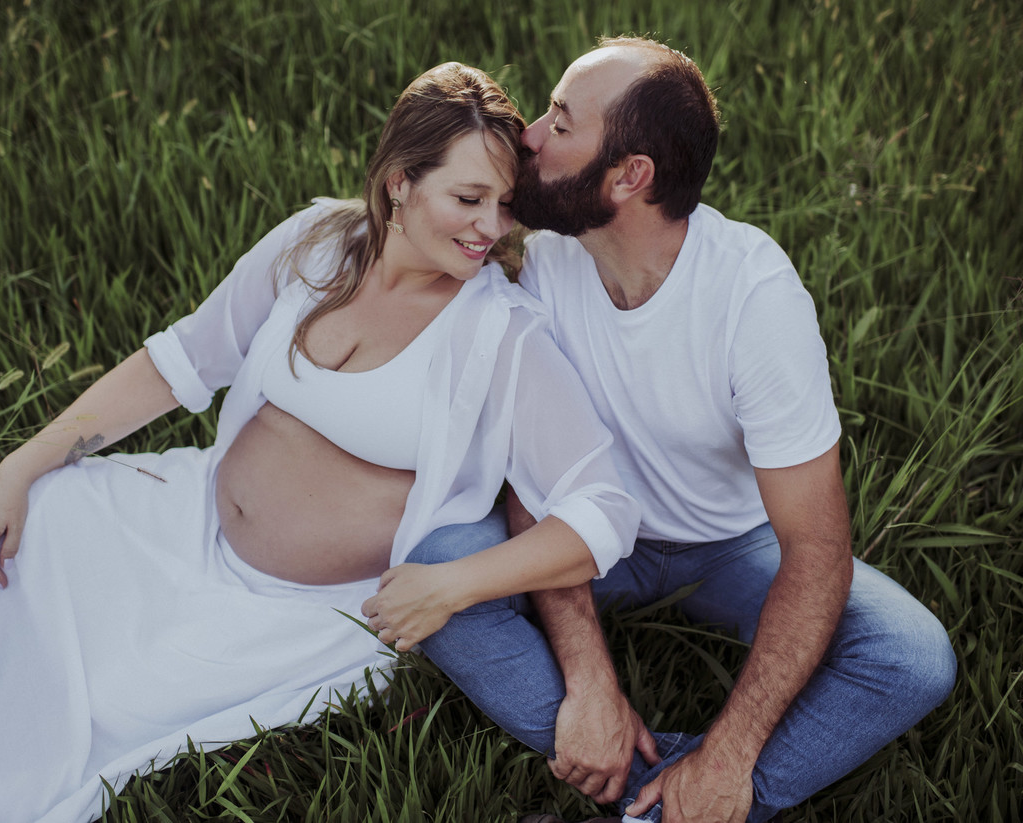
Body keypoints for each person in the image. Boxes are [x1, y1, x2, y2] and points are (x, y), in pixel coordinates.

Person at [0, 62, 642, 823]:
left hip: (288, 612)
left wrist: (452, 584)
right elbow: (181, 360)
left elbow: (604, 510)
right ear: (400, 181)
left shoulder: (501, 332)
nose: (490, 228)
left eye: (503, 204)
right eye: (467, 200)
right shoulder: (317, 242)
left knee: (86, 709)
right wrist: (20, 461)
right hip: (179, 522)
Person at [407, 38, 957, 823]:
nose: (529, 134)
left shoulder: (753, 301)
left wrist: (731, 749)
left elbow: (816, 549)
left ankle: (683, 797)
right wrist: (591, 679)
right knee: (438, 565)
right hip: (585, 536)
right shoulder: (549, 259)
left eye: (561, 123)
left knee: (912, 655)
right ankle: (661, 789)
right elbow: (536, 487)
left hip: (731, 544)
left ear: (631, 176)